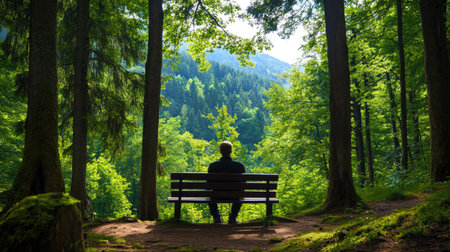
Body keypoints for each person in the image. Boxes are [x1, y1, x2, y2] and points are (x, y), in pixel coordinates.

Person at [208, 141, 245, 224]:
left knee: (209, 193)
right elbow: (243, 184)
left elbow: (208, 184)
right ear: (231, 151)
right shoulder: (239, 166)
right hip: (234, 196)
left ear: (220, 151)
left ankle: (216, 217)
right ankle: (232, 217)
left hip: (216, 196)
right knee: (241, 193)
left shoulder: (213, 166)